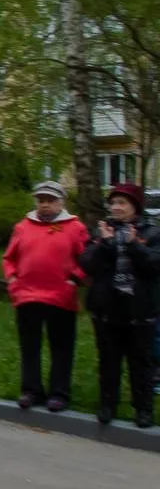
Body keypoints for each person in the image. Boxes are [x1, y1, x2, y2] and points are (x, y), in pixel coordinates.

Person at [1, 181, 88, 413]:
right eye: (41, 200)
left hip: (61, 296)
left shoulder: (75, 227)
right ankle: (31, 390)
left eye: (50, 200)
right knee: (30, 345)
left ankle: (59, 393)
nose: (45, 205)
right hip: (27, 296)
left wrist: (74, 280)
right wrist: (12, 280)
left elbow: (87, 259)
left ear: (61, 202)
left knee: (61, 346)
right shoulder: (23, 226)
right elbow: (8, 258)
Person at [80, 182, 160, 428]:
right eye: (113, 202)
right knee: (109, 361)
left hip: (139, 311)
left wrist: (134, 245)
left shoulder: (152, 232)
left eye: (122, 203)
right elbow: (86, 264)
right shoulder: (101, 231)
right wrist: (104, 244)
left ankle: (143, 409)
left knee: (141, 364)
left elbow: (154, 265)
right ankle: (107, 405)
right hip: (107, 310)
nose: (116, 207)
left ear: (135, 207)